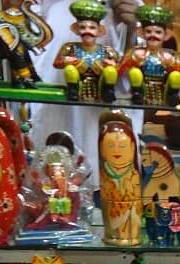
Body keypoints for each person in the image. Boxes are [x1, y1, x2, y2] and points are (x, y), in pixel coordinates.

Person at [30, 0, 139, 186]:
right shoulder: (50, 10)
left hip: (110, 152)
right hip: (54, 141)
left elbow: (136, 82)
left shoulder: (129, 9)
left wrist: (132, 30)